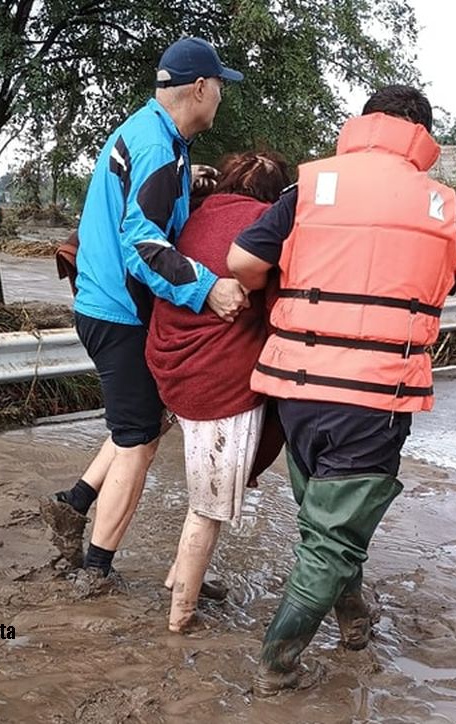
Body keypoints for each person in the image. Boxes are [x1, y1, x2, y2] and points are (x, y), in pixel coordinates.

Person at [227, 85, 456, 695]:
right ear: (422, 133)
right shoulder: (445, 205)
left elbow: (241, 263)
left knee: (327, 521)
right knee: (334, 534)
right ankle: (276, 665)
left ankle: (353, 620)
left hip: (298, 388)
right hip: (376, 394)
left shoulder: (307, 186)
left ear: (364, 122)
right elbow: (448, 282)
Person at [39, 37, 248, 592]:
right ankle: (96, 569)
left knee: (142, 420)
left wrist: (189, 179)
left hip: (100, 302)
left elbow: (145, 198)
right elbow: (142, 244)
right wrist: (207, 290)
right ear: (200, 88)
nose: (221, 98)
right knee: (138, 439)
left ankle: (74, 501)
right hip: (120, 313)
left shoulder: (152, 134)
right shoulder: (159, 150)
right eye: (219, 87)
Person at [145, 152, 290, 632]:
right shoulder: (265, 227)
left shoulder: (194, 214)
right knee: (208, 508)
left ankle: (181, 577)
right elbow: (278, 311)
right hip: (217, 383)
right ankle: (181, 615)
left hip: (168, 367)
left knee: (201, 492)